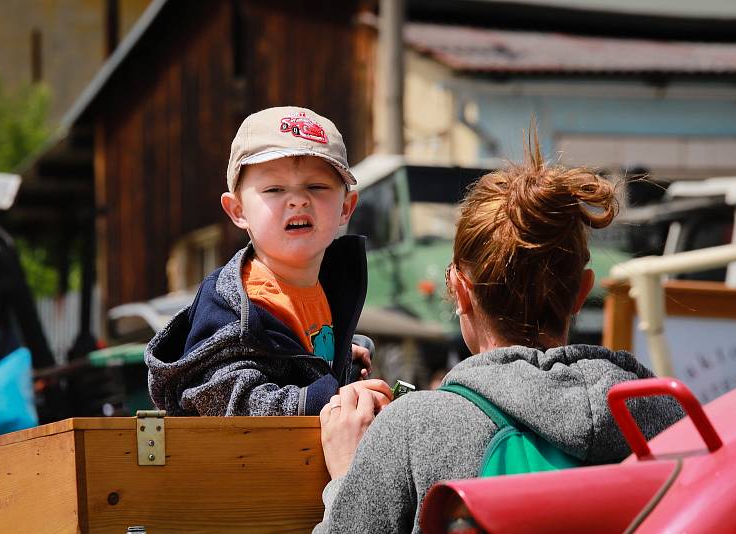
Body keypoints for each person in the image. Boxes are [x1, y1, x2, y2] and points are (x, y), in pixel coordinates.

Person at [313, 130, 684, 532]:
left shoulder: (413, 429)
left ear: (460, 291)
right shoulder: (664, 416)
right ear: (582, 292)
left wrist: (346, 480)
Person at [145, 106, 392, 416]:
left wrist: (340, 364)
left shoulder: (330, 286)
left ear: (346, 207)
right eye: (275, 189)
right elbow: (227, 403)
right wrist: (333, 395)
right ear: (238, 211)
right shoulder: (233, 306)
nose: (298, 199)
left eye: (316, 187)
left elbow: (295, 366)